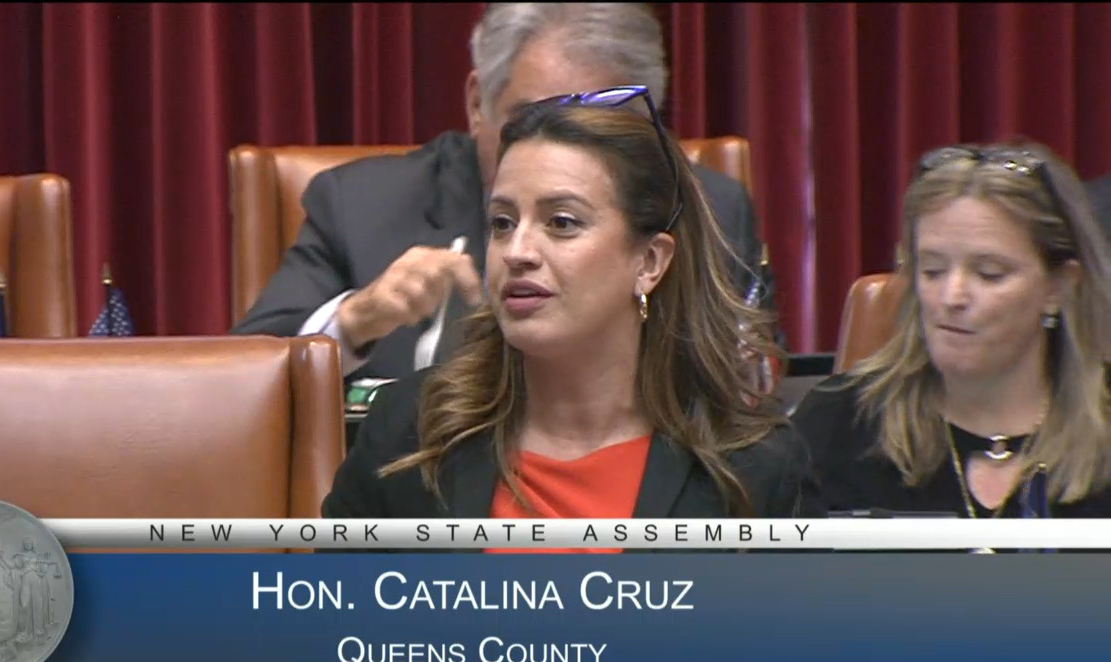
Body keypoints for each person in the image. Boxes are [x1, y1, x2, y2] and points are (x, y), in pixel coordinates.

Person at [320, 88, 820, 531]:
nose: (517, 252)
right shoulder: (409, 431)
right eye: (502, 223)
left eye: (561, 222)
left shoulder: (754, 468)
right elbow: (331, 607)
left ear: (649, 262)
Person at [231, 3, 780, 384]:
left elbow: (756, 392)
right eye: (533, 119)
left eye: (594, 126)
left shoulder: (707, 210)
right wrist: (355, 322)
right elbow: (244, 382)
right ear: (478, 103)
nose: (558, 151)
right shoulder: (359, 205)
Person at [791, 142, 1111, 526]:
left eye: (989, 274)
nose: (951, 297)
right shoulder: (837, 423)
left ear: (1058, 287)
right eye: (933, 270)